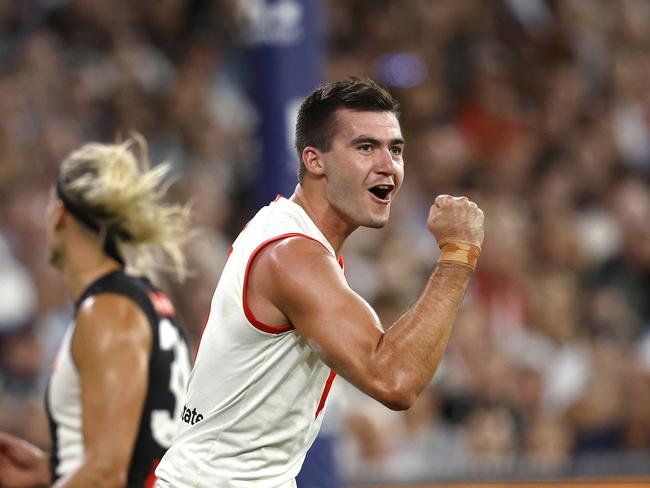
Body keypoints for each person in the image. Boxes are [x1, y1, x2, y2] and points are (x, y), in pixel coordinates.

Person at [155, 77, 485, 487]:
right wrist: (458, 254)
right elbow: (394, 380)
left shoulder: (294, 236)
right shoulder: (293, 256)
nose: (388, 165)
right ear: (314, 160)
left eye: (395, 149)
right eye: (366, 147)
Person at [0, 137, 193, 487]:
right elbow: (136, 449)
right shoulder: (140, 302)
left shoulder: (109, 314)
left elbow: (105, 475)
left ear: (60, 214)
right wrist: (50, 468)